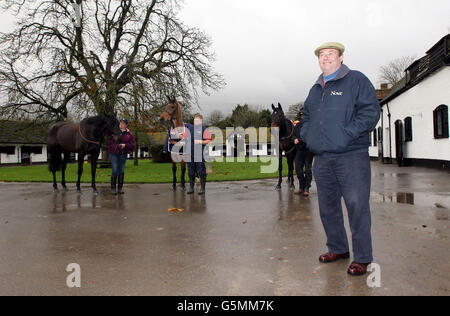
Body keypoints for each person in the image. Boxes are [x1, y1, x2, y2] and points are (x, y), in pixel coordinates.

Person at [300, 42, 380, 276]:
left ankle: (363, 258)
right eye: (322, 55)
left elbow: (370, 112)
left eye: (330, 54)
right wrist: (308, 135)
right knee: (328, 207)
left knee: (357, 206)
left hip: (351, 155)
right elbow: (306, 117)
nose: (325, 58)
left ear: (341, 57)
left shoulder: (356, 80)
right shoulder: (315, 89)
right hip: (322, 158)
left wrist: (347, 134)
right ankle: (337, 248)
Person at [186, 114, 212, 195]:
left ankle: (202, 188)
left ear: (201, 121)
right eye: (194, 120)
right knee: (190, 171)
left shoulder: (205, 130)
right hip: (190, 154)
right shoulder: (190, 129)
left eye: (197, 120)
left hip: (199, 154)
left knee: (201, 171)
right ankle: (191, 187)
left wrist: (200, 141)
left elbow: (208, 141)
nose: (195, 122)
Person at [109, 118, 135, 195]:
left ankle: (120, 189)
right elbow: (110, 142)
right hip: (114, 153)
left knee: (121, 170)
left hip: (123, 154)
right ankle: (113, 188)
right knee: (115, 169)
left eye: (123, 123)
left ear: (126, 125)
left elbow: (132, 145)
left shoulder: (129, 134)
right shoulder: (114, 131)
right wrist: (116, 146)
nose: (121, 124)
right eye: (120, 123)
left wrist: (125, 145)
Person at [292, 112, 314, 196]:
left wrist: (301, 140)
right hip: (299, 151)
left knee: (308, 170)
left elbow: (312, 137)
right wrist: (294, 139)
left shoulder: (311, 125)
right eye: (302, 115)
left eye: (304, 115)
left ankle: (306, 188)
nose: (303, 116)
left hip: (308, 151)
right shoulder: (297, 125)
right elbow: (293, 136)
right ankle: (302, 186)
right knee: (298, 170)